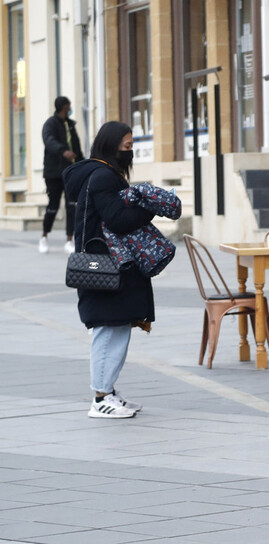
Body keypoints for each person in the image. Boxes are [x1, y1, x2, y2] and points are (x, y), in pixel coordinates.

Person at [64, 121, 154, 418]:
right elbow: (117, 220)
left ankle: (109, 391)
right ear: (111, 145)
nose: (130, 152)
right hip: (103, 267)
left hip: (111, 265)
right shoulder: (103, 176)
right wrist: (152, 205)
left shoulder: (103, 174)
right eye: (127, 147)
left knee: (117, 326)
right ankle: (100, 398)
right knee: (107, 329)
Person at [41, 97, 85, 253]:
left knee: (71, 205)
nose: (70, 109)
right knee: (53, 205)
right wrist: (63, 151)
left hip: (70, 173)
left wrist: (83, 165)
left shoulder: (71, 125)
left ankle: (69, 240)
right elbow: (49, 141)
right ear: (63, 107)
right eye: (68, 107)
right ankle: (44, 236)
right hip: (54, 173)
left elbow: (76, 147)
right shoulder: (50, 124)